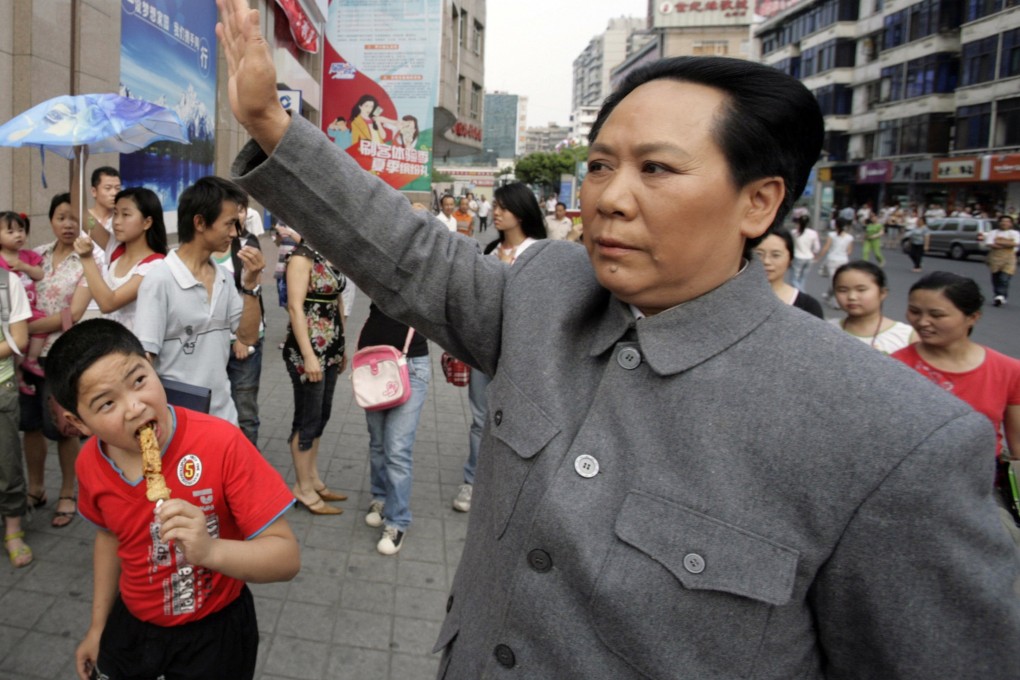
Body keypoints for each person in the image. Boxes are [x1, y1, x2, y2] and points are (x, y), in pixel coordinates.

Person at [219, 5, 1020, 674]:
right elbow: (408, 251)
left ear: (759, 203)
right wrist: (269, 122)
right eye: (601, 166)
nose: (611, 198)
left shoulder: (893, 438)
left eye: (657, 170)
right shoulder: (546, 290)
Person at [45, 319, 298, 680]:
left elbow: (286, 557)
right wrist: (98, 626)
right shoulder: (89, 463)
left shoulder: (221, 443)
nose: (134, 407)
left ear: (153, 365)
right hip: (132, 622)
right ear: (78, 422)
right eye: (106, 404)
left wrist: (211, 551)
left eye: (139, 380)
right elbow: (109, 537)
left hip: (217, 630)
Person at [892, 272, 1020, 538]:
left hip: (979, 494)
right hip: (907, 494)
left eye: (937, 315)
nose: (923, 322)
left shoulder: (1008, 370)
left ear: (973, 317)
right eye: (915, 311)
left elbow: (1017, 447)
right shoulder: (893, 366)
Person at [133, 177, 264, 425]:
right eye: (229, 224)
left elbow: (247, 337)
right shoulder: (160, 279)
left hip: (224, 416)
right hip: (177, 420)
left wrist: (250, 285)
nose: (235, 233)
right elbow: (144, 360)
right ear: (200, 222)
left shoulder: (224, 278)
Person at [455, 182, 547, 514]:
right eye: (494, 205)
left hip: (523, 355)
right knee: (481, 419)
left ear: (521, 212)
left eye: (503, 207)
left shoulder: (541, 253)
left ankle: (512, 485)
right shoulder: (489, 250)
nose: (495, 212)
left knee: (518, 421)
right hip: (485, 352)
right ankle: (471, 482)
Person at [21, 193, 96, 528]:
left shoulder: (87, 261)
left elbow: (74, 312)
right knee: (31, 425)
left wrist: (29, 325)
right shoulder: (35, 255)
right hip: (27, 355)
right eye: (62, 217)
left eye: (74, 218)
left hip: (61, 354)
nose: (68, 224)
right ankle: (36, 488)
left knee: (65, 427)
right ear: (51, 220)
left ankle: (68, 491)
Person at [359, 303, 430, 554]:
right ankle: (380, 497)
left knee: (397, 447)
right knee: (378, 442)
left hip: (410, 364)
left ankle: (397, 520)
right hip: (373, 361)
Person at [283, 242, 348, 515]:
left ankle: (312, 479)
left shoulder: (330, 252)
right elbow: (295, 308)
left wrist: (343, 344)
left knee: (322, 413)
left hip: (331, 346)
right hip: (308, 348)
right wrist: (309, 356)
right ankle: (302, 488)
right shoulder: (301, 257)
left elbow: (338, 301)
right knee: (308, 417)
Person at [72, 187, 168, 332]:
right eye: (115, 214)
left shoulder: (155, 265)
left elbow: (108, 304)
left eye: (126, 214)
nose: (117, 221)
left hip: (135, 347)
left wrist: (87, 258)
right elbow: (79, 212)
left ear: (147, 222)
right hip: (111, 342)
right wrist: (78, 166)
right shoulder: (116, 249)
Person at [215, 195, 266, 448]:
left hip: (243, 341)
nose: (236, 224)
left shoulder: (247, 244)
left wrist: (242, 338)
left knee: (245, 412)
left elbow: (251, 290)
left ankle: (248, 469)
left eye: (241, 212)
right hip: (212, 342)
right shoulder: (197, 250)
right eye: (229, 217)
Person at [0, 267, 32, 567]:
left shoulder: (7, 282)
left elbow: (20, 338)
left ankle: (13, 528)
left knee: (7, 462)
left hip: (1, 386)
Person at [0, 211, 47, 394]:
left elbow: (40, 274)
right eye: (10, 232)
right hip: (12, 314)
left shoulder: (28, 256)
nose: (18, 235)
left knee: (36, 329)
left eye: (21, 230)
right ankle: (19, 375)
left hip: (29, 307)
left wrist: (23, 267)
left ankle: (31, 360)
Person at [830, 261, 914, 354]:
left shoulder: (905, 336)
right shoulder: (827, 329)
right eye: (842, 290)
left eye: (861, 290)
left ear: (882, 293)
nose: (851, 296)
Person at [751, 228, 824, 318]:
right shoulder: (735, 299)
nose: (766, 261)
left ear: (790, 259)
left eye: (775, 255)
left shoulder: (809, 307)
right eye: (759, 254)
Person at [84, 166, 123, 264]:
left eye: (117, 188)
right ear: (94, 191)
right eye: (108, 188)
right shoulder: (83, 218)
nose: (114, 193)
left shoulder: (121, 221)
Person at [815, 220, 853, 306]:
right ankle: (832, 298)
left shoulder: (832, 235)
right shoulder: (849, 237)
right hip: (843, 260)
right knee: (839, 281)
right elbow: (849, 251)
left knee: (834, 281)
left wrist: (818, 258)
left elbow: (826, 248)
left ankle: (832, 298)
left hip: (832, 260)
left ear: (836, 225)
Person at [986, 214, 1019, 307]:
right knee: (996, 278)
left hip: (1010, 259)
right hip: (995, 258)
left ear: (1011, 224)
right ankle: (998, 294)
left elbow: (1016, 244)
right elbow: (989, 243)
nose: (1004, 223)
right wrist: (1007, 244)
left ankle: (1000, 296)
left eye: (1007, 221)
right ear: (999, 223)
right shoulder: (993, 233)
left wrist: (999, 242)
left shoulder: (1014, 233)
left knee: (1004, 278)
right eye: (1003, 221)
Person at [789, 213, 819, 291]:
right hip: (809, 257)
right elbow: (817, 248)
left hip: (798, 257)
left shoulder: (794, 233)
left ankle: (801, 293)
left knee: (794, 279)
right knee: (803, 278)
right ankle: (801, 293)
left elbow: (790, 245)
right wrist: (814, 254)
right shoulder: (813, 233)